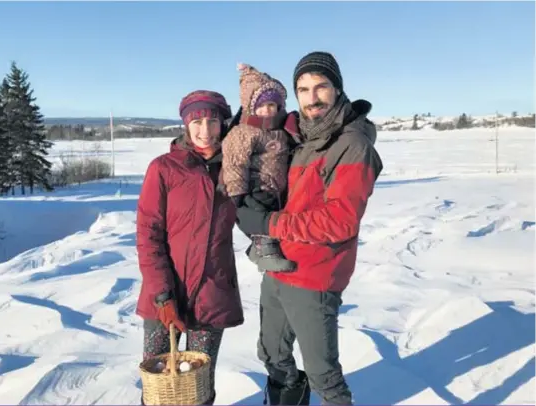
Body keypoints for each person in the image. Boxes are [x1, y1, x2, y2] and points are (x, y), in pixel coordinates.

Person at [235, 51, 384, 405]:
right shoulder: (302, 138)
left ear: (338, 89)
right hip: (279, 268)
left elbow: (340, 220)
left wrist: (268, 222)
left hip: (315, 275)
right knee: (271, 354)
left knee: (323, 375)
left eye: (321, 87)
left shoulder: (352, 144)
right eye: (303, 89)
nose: (312, 97)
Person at [135, 90, 244, 405]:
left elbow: (259, 210)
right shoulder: (164, 168)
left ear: (223, 123)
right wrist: (161, 293)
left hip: (212, 293)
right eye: (197, 121)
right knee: (159, 382)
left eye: (212, 120)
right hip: (165, 293)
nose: (205, 130)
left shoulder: (234, 170)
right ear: (185, 124)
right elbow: (148, 233)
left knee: (198, 384)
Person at [221, 63, 297, 273]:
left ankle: (261, 248)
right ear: (252, 107)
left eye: (272, 105)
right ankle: (264, 252)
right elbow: (235, 162)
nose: (267, 110)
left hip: (277, 186)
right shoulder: (244, 132)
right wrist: (238, 193)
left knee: (277, 218)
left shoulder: (279, 130)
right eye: (262, 106)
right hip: (257, 187)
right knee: (262, 218)